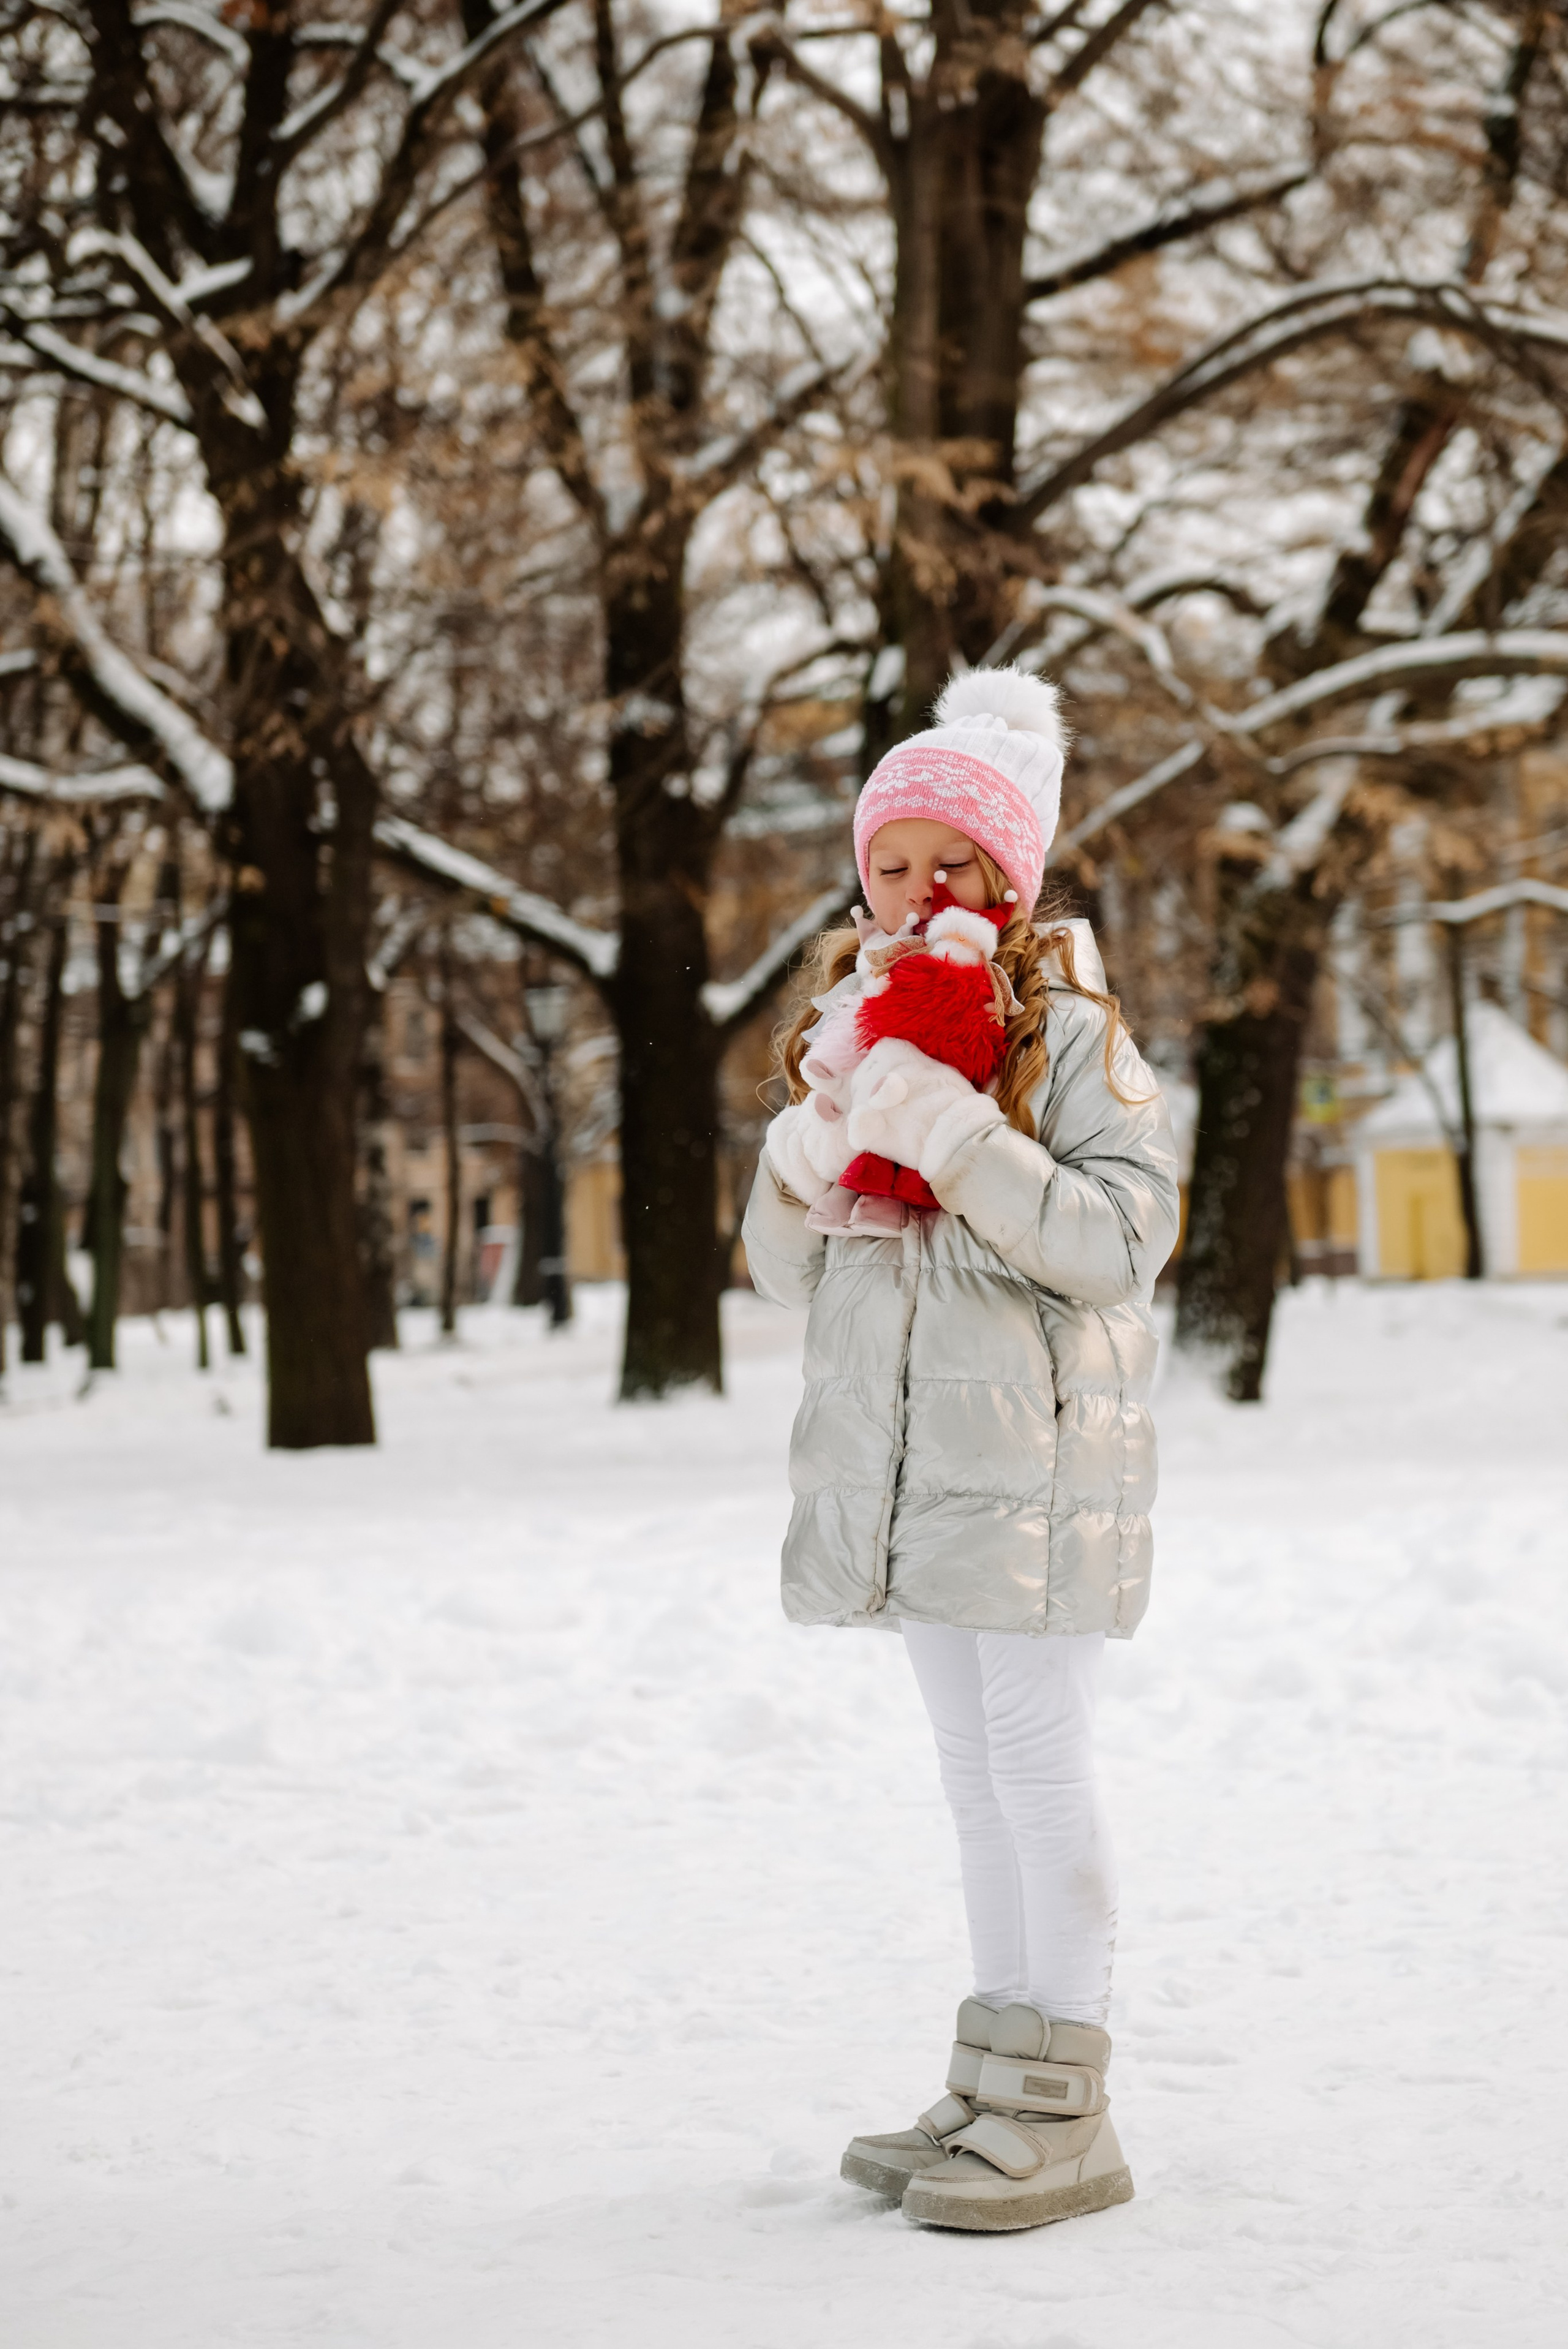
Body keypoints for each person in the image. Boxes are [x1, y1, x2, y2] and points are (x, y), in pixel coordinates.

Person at [742, 666, 1180, 2234]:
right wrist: (813, 1141)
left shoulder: (1069, 1032)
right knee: (971, 1779)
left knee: (1042, 1772)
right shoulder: (845, 1025)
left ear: (1017, 871)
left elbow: (1118, 1238)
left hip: (1041, 1470)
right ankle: (998, 2072)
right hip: (919, 1477)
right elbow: (782, 1272)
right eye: (893, 860)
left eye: (956, 860)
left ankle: (1067, 2111)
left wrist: (945, 1122)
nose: (923, 888)